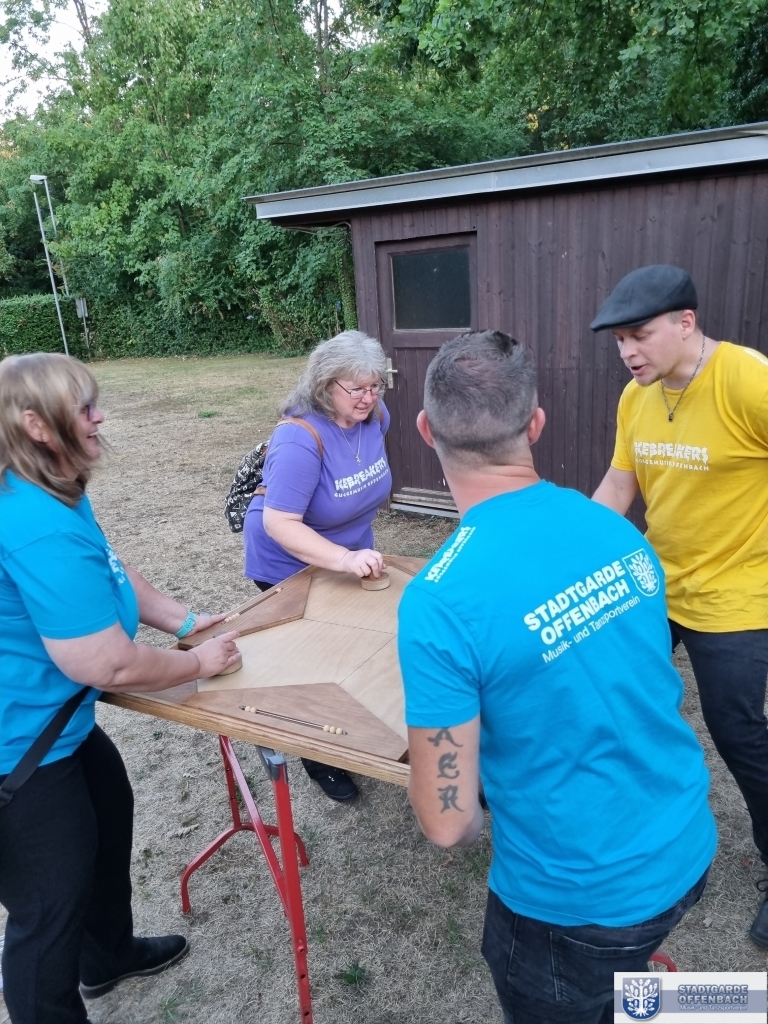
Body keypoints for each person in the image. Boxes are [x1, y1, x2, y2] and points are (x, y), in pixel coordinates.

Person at [398, 330, 716, 1024]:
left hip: (578, 906)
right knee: (624, 985)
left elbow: (448, 825)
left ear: (425, 430)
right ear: (536, 424)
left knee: (589, 991)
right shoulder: (616, 529)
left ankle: (690, 1004)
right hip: (688, 839)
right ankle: (692, 1003)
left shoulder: (439, 600)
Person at [0, 352, 241, 1024]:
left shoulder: (52, 488)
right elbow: (106, 665)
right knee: (46, 911)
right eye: (84, 408)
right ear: (37, 425)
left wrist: (183, 620)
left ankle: (105, 957)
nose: (99, 417)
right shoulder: (36, 523)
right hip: (16, 751)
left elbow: (107, 566)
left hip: (53, 728)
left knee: (107, 820)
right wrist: (198, 664)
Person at [590, 263, 768, 945]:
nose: (628, 352)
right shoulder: (636, 397)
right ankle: (633, 829)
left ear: (686, 322)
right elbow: (619, 483)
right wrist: (573, 549)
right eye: (620, 341)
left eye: (639, 335)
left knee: (737, 732)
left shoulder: (746, 380)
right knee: (613, 697)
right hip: (657, 584)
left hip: (737, 596)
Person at [243, 330, 392, 801]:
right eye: (357, 388)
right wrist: (343, 558)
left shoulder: (375, 416)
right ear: (326, 385)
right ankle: (320, 759)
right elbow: (280, 523)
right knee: (314, 664)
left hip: (348, 554)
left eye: (376, 385)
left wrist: (351, 554)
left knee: (357, 650)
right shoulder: (298, 438)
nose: (369, 397)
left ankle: (356, 730)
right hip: (288, 563)